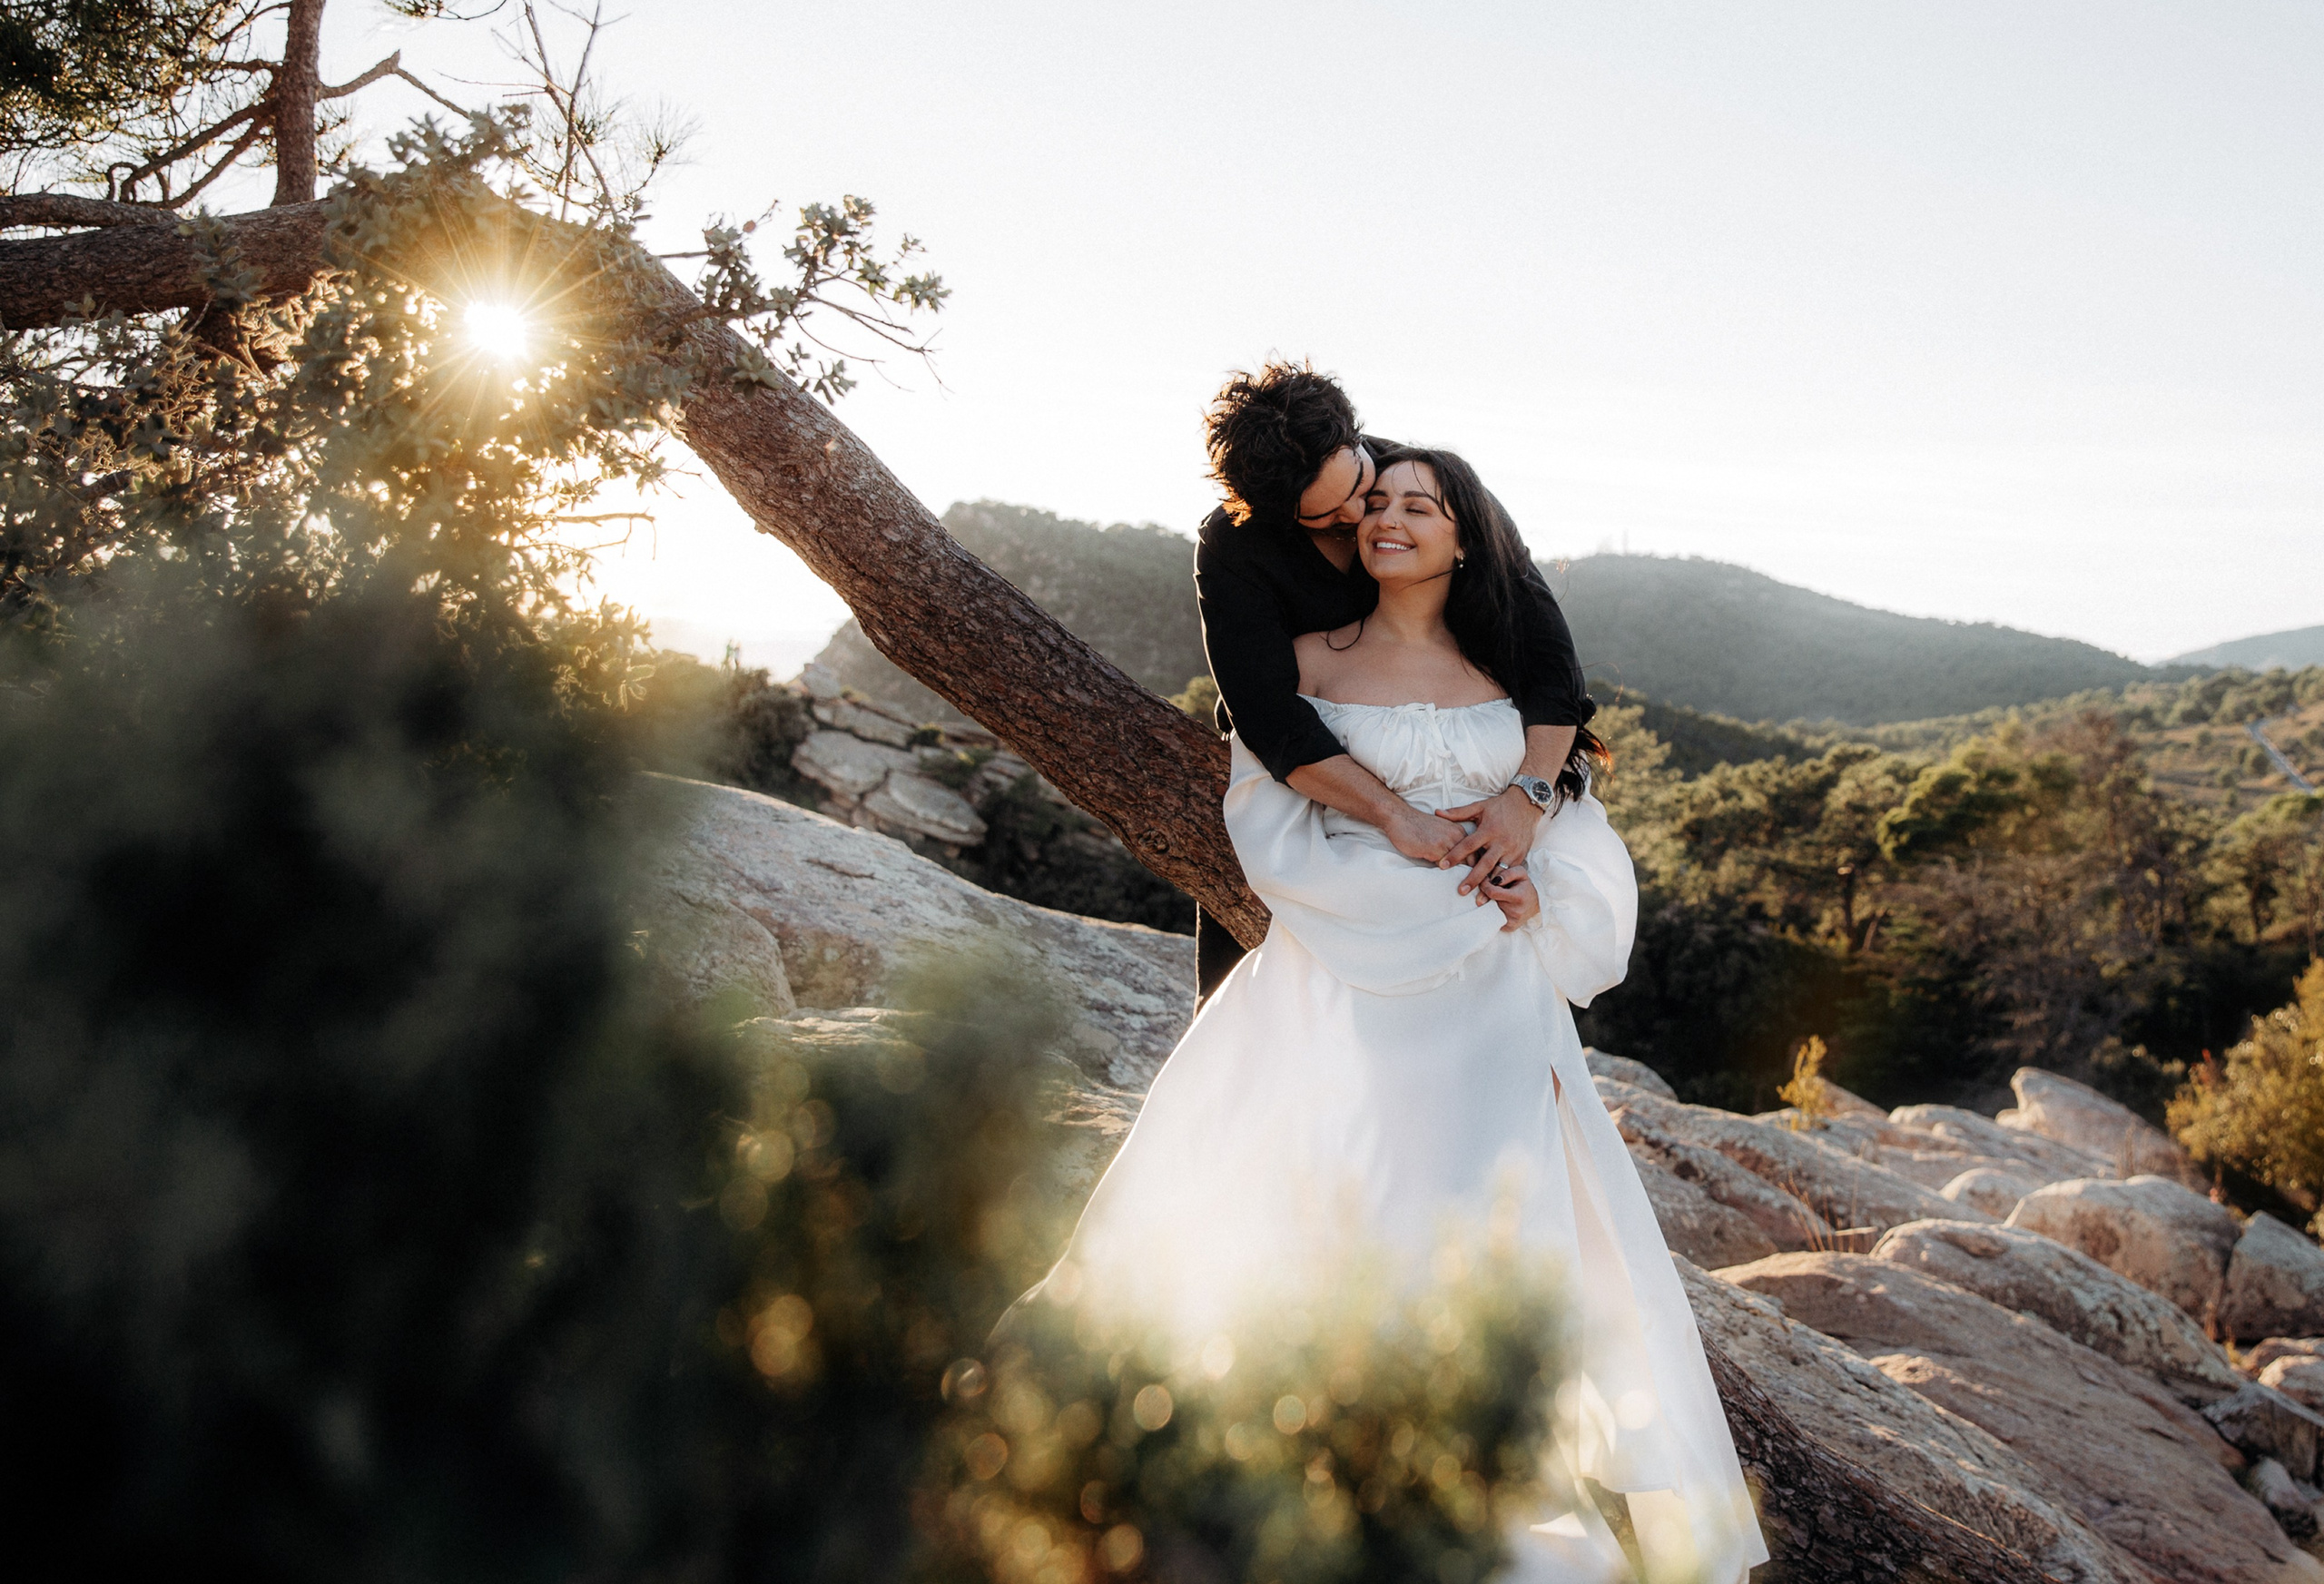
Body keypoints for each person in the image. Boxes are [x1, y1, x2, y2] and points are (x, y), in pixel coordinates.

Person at [1021, 447, 1768, 1582]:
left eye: (1421, 504)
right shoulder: (1305, 664)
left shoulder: (1513, 685)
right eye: (1378, 501)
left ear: (1464, 537)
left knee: (1487, 1229)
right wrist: (1427, 896)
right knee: (1342, 1211)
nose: (1390, 516)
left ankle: (1481, 1483)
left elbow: (1572, 834)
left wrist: (1528, 885)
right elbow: (1266, 822)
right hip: (1343, 985)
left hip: (1494, 1014)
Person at [1191, 362, 1596, 1000]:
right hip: (1303, 764)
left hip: (1456, 747)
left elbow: (1552, 667)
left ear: (1355, 436)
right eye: (1326, 516)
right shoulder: (1234, 546)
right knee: (1245, 984)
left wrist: (1528, 798)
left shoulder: (1435, 489)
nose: (1361, 516)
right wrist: (1391, 815)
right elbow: (1267, 716)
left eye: (1360, 486)